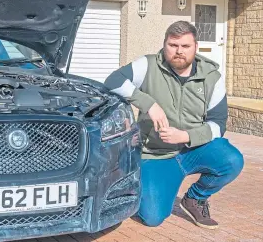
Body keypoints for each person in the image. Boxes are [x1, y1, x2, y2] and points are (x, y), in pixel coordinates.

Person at [104, 20, 244, 229]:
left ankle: (195, 198)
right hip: (156, 154)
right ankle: (140, 181)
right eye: (173, 45)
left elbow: (218, 124)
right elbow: (113, 82)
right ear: (165, 45)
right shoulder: (148, 65)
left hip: (195, 149)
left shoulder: (212, 77)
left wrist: (186, 136)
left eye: (185, 46)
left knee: (231, 160)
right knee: (152, 217)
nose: (179, 51)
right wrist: (148, 104)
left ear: (195, 47)